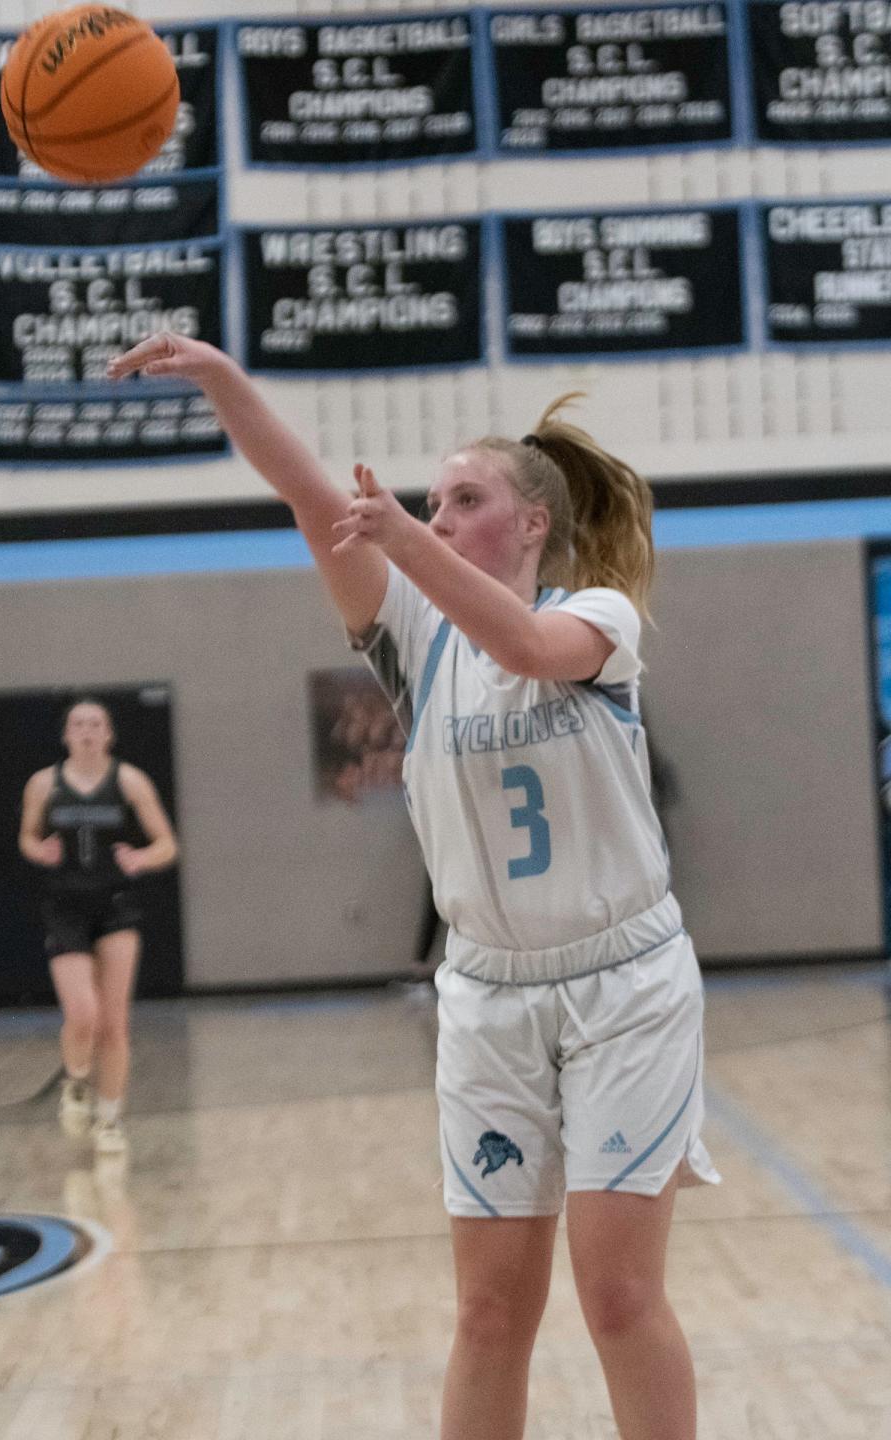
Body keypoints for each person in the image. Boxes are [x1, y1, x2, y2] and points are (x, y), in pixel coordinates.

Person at [106, 334, 719, 1440]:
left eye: (464, 498)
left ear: (532, 523)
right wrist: (219, 377)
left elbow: (528, 646)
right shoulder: (413, 638)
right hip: (487, 996)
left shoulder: (601, 622)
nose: (436, 517)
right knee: (489, 1313)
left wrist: (396, 535)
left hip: (625, 985)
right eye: (430, 502)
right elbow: (306, 492)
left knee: (619, 1298)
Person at [19, 698, 178, 1156]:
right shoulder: (43, 784)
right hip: (64, 906)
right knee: (83, 1013)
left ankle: (109, 1119)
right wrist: (38, 851)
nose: (87, 730)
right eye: (78, 724)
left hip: (115, 906)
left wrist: (141, 857)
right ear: (66, 735)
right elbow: (27, 837)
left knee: (115, 1023)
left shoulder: (129, 781)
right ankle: (75, 1081)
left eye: (96, 723)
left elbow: (167, 843)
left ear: (108, 734)